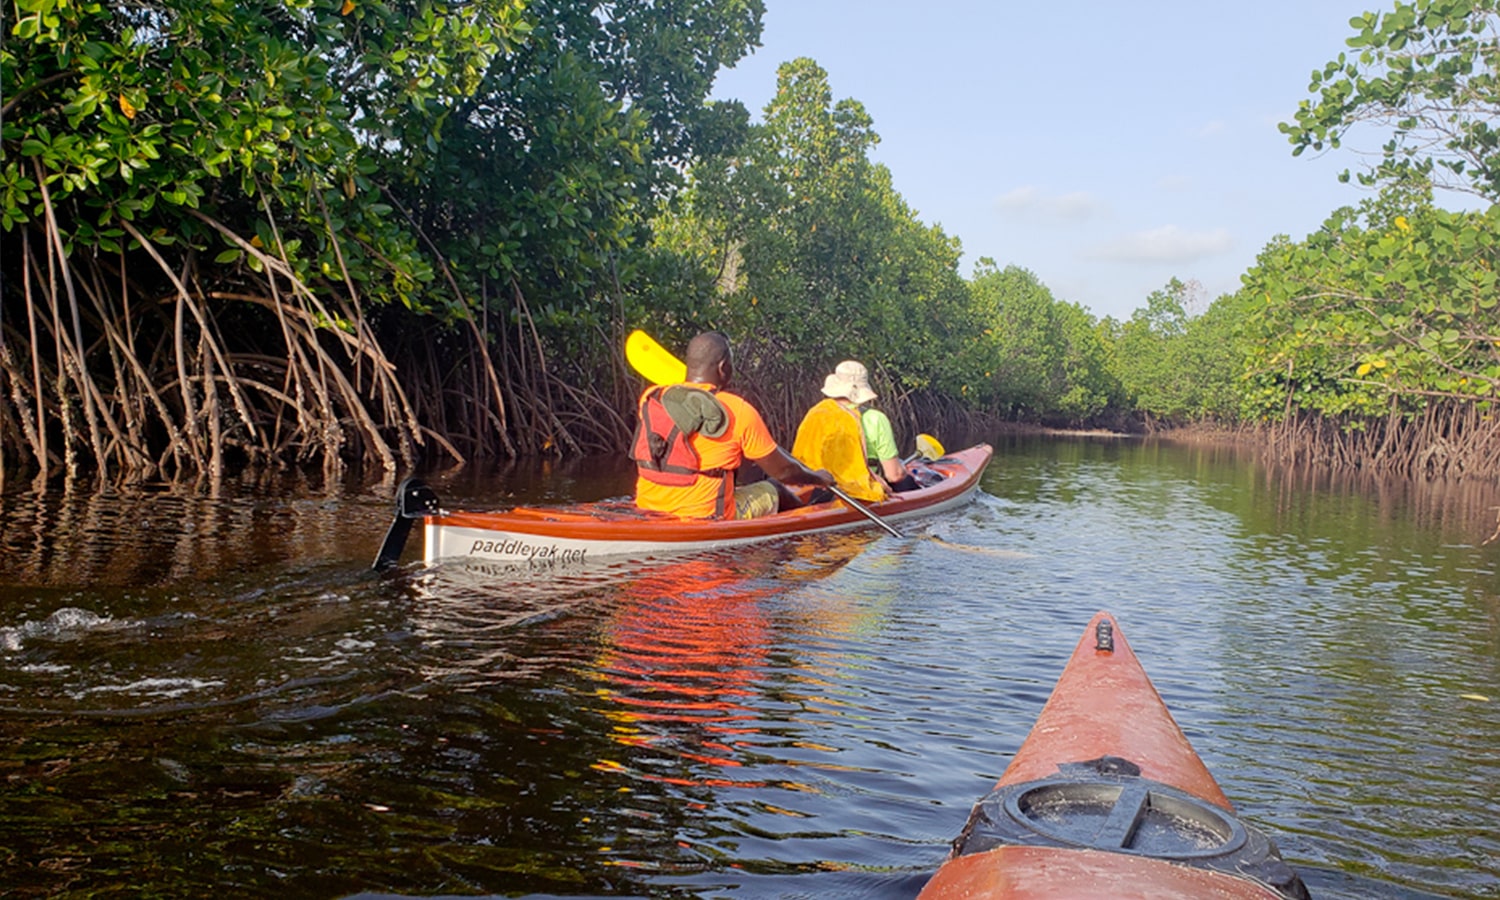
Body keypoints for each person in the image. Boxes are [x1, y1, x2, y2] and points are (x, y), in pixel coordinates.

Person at [633, 332, 833, 520]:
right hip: (707, 514)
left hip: (648, 507)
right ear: (723, 367)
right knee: (775, 488)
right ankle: (806, 531)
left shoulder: (652, 398)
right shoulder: (738, 410)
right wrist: (818, 478)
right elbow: (784, 473)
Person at [791, 360, 890, 502]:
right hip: (841, 490)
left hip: (808, 485)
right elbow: (895, 475)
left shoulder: (815, 412)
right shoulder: (875, 418)